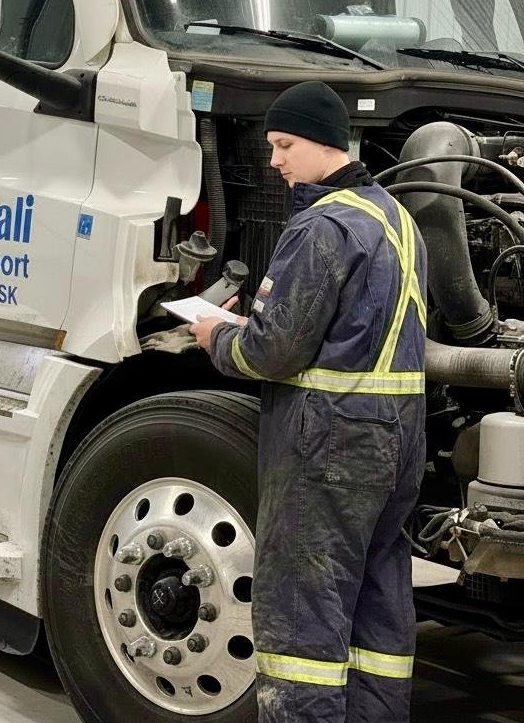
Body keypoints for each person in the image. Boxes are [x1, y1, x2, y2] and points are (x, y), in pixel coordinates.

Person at [189, 80, 427, 723]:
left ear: (324, 142)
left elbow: (271, 353)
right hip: (398, 442)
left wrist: (218, 337)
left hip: (330, 445)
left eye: (285, 145)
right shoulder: (397, 219)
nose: (275, 161)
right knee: (377, 606)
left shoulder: (322, 226)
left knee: (303, 616)